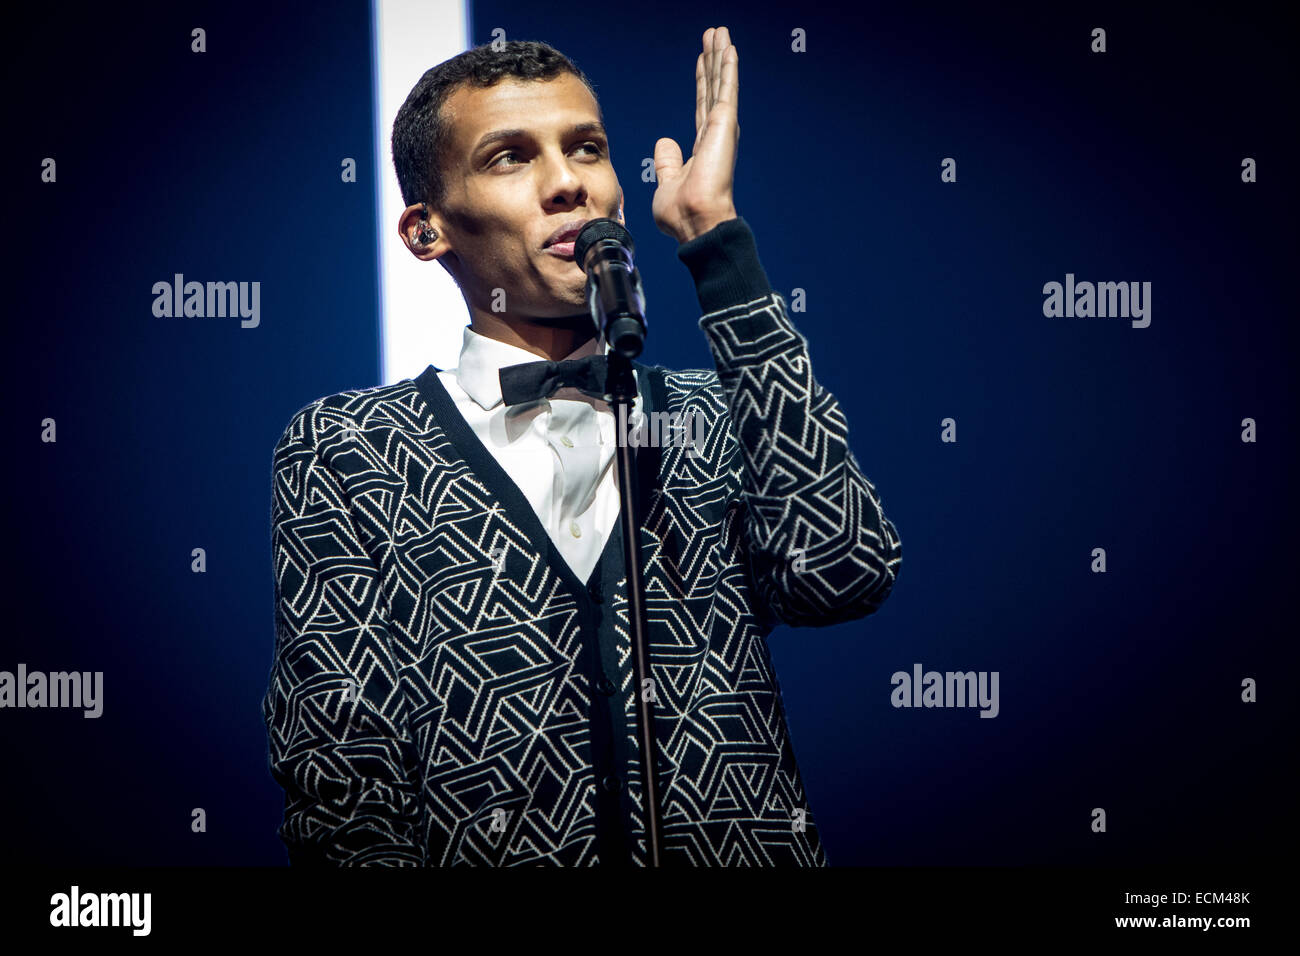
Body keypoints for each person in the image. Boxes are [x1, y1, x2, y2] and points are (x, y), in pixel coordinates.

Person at [262, 29, 902, 866]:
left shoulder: (711, 414)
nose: (569, 183)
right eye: (509, 157)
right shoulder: (350, 448)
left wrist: (718, 244)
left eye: (588, 149)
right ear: (426, 232)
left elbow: (844, 573)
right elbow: (342, 785)